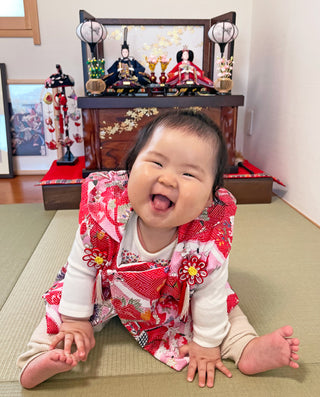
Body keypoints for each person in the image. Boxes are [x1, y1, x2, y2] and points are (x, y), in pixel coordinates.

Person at [17, 109, 300, 389]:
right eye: (156, 163)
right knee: (61, 306)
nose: (167, 179)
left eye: (188, 173)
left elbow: (210, 293)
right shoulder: (105, 214)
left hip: (175, 296)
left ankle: (245, 346)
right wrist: (76, 320)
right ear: (131, 169)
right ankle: (39, 355)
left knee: (223, 305)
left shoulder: (207, 237)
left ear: (208, 199)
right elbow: (82, 267)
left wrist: (206, 343)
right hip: (105, 287)